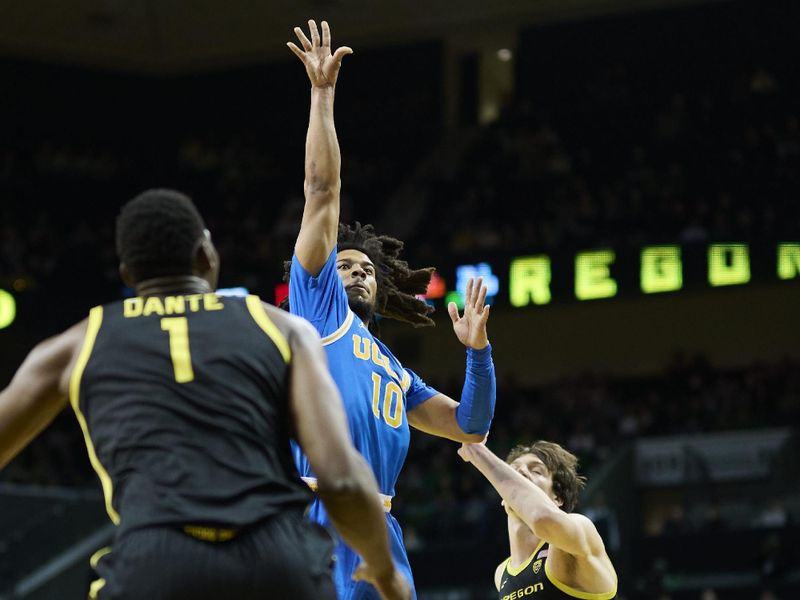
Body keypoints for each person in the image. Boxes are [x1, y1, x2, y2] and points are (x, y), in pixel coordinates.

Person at [0, 189, 409, 600]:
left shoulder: (78, 343)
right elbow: (341, 475)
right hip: (277, 559)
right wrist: (383, 569)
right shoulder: (280, 328)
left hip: (155, 561)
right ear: (206, 257)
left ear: (128, 273)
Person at [285, 20, 497, 599]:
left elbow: (470, 426)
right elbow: (321, 191)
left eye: (367, 270)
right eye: (345, 265)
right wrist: (322, 96)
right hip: (317, 512)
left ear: (380, 292)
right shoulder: (316, 310)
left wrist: (478, 353)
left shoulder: (391, 367)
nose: (355, 272)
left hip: (381, 525)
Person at [457, 441, 617, 600]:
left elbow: (542, 518)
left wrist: (475, 450)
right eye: (512, 471)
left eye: (536, 471)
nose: (521, 471)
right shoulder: (501, 574)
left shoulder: (577, 534)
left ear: (558, 497)